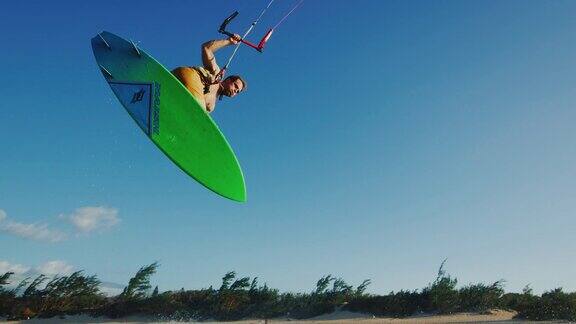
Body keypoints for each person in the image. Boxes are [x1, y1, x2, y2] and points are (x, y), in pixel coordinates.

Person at [172, 34, 247, 113]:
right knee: (200, 111)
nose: (235, 91)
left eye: (237, 91)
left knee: (202, 112)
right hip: (189, 75)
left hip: (178, 89)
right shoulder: (217, 74)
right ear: (228, 80)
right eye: (235, 86)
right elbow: (206, 48)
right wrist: (228, 41)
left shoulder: (211, 105)